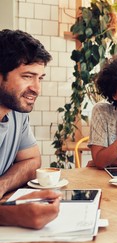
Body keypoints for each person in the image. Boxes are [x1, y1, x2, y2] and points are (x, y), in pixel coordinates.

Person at [0, 29, 60, 229]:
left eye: (40, 78)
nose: (37, 88)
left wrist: (3, 184)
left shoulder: (17, 112)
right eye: (28, 76)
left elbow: (32, 160)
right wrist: (9, 216)